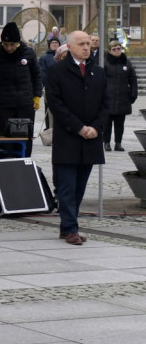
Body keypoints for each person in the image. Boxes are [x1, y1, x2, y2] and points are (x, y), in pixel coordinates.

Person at [45, 30, 108, 245]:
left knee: (80, 186)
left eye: (88, 44)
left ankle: (67, 227)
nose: (86, 48)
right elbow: (55, 104)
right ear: (69, 46)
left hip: (91, 139)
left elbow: (105, 104)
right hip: (68, 138)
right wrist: (79, 127)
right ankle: (71, 228)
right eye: (81, 44)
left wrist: (96, 128)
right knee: (66, 187)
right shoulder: (57, 71)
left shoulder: (98, 72)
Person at [0, 22, 42, 159]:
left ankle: (23, 164)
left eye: (12, 45)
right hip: (3, 105)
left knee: (24, 141)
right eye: (5, 44)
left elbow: (37, 76)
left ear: (18, 43)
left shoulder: (29, 53)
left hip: (25, 104)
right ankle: (3, 165)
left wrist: (37, 96)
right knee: (4, 143)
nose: (9, 48)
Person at [103, 40, 138, 152]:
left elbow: (133, 79)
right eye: (114, 49)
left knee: (120, 123)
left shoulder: (126, 62)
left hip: (123, 97)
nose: (117, 51)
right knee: (107, 123)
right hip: (108, 97)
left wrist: (133, 94)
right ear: (110, 51)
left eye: (119, 48)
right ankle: (106, 143)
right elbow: (99, 80)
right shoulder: (105, 62)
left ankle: (118, 143)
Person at [38, 37, 61, 130]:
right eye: (52, 43)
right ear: (49, 45)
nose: (54, 44)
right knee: (49, 110)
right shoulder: (44, 58)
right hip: (50, 88)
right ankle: (49, 129)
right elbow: (42, 73)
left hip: (62, 88)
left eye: (56, 43)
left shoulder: (63, 56)